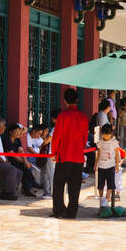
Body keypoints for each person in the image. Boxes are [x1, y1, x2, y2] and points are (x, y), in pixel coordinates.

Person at [49, 89, 87, 218]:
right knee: (75, 186)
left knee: (58, 184)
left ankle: (59, 210)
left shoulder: (63, 116)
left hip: (64, 155)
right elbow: (84, 138)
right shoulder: (83, 117)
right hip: (78, 156)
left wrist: (54, 153)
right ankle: (72, 212)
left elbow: (57, 136)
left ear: (65, 100)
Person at [94, 123, 126, 218]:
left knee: (111, 185)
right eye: (104, 134)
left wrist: (117, 165)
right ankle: (102, 200)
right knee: (100, 185)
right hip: (101, 166)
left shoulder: (114, 142)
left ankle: (106, 201)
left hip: (110, 166)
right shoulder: (100, 142)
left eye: (107, 134)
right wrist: (96, 164)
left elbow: (116, 154)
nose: (105, 136)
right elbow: (98, 153)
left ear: (111, 134)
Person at [3, 123, 43, 197]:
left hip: (18, 159)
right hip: (9, 160)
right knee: (25, 167)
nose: (19, 133)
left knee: (26, 167)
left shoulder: (17, 139)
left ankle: (28, 188)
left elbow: (21, 151)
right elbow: (12, 155)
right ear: (10, 132)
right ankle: (31, 184)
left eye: (19, 131)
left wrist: (25, 161)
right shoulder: (7, 140)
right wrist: (24, 162)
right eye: (16, 131)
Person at [0, 117, 22, 200]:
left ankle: (12, 190)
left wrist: (6, 160)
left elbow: (2, 152)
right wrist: (4, 162)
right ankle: (8, 193)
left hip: (2, 161)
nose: (4, 128)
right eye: (3, 126)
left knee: (19, 172)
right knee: (12, 169)